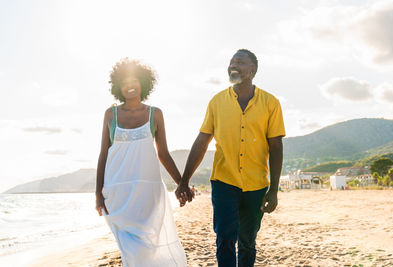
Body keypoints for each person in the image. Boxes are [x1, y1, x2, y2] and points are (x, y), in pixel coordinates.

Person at [176, 49, 285, 267]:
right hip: (224, 182)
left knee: (247, 242)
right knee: (224, 240)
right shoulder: (217, 102)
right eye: (231, 62)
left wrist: (273, 189)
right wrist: (184, 180)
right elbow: (202, 141)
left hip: (256, 185)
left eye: (240, 62)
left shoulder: (270, 103)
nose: (233, 65)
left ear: (252, 70)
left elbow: (276, 146)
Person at [95, 58, 187, 267]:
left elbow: (163, 153)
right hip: (117, 192)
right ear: (118, 86)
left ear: (143, 83)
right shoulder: (111, 114)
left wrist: (181, 183)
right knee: (130, 250)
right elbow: (103, 154)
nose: (130, 86)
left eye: (134, 81)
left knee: (149, 245)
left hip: (148, 192)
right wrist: (97, 192)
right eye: (125, 83)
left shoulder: (156, 114)